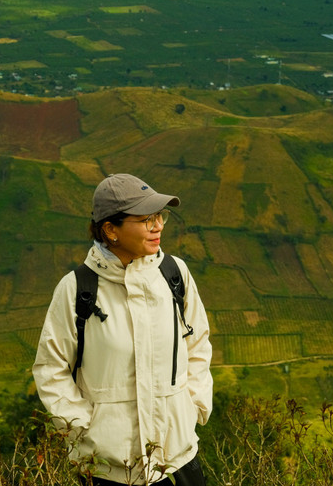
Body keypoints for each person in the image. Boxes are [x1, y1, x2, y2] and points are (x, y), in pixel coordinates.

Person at [33, 173, 213, 485]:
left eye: (160, 217)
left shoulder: (175, 274)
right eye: (145, 219)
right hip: (108, 470)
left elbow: (197, 345)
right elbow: (51, 369)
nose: (157, 226)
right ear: (110, 229)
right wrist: (84, 429)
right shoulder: (77, 288)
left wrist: (192, 405)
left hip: (179, 461)